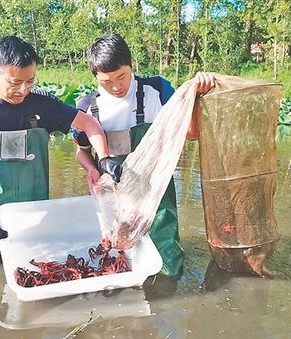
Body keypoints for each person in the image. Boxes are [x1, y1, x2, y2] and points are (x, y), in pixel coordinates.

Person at [0, 36, 122, 264]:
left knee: (35, 275)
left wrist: (104, 158)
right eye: (15, 82)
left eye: (30, 81)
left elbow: (89, 124)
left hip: (34, 223)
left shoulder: (42, 105)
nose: (23, 90)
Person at [73, 33, 215, 278]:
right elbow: (82, 151)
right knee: (117, 251)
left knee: (165, 246)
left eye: (122, 76)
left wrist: (197, 96)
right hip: (114, 191)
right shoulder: (88, 107)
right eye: (107, 81)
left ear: (131, 65)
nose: (117, 86)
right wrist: (92, 169)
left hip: (156, 187)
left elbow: (191, 134)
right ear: (95, 76)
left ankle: (169, 283)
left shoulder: (157, 91)